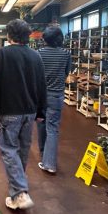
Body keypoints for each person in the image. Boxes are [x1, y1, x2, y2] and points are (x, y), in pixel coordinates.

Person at [0, 19, 46, 210]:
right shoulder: (36, 56)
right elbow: (42, 86)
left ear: (9, 35)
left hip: (10, 111)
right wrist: (41, 111)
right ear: (27, 35)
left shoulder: (2, 54)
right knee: (22, 150)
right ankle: (17, 194)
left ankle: (20, 192)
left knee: (9, 150)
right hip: (30, 112)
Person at [36, 25, 71, 174]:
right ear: (60, 39)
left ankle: (44, 152)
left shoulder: (39, 53)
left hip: (40, 95)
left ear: (45, 39)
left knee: (40, 122)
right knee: (53, 129)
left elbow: (35, 74)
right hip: (56, 95)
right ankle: (49, 162)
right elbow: (66, 72)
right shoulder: (65, 54)